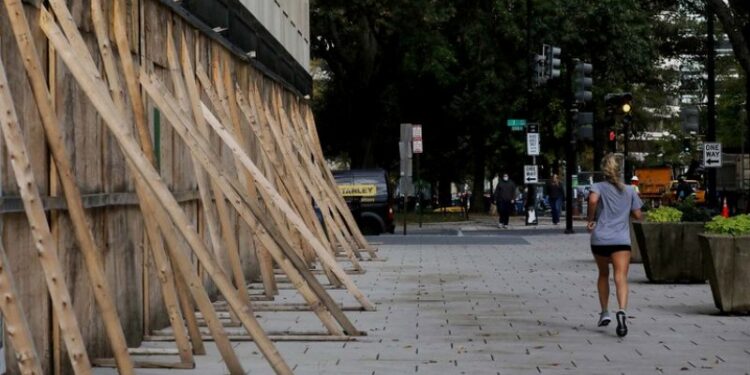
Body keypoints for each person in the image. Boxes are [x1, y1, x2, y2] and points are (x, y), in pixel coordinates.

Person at [586, 154, 643, 337]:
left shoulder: (598, 186)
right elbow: (638, 215)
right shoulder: (629, 190)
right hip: (621, 240)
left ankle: (604, 312)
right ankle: (622, 311)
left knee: (603, 274)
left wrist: (591, 219)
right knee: (621, 276)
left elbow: (593, 200)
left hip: (601, 238)